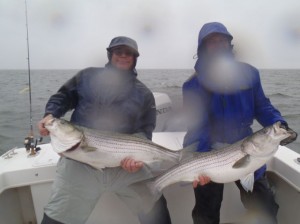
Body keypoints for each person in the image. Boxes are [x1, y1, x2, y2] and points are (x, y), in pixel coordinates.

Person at [38, 36, 172, 224]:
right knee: (56, 219)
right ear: (110, 55)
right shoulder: (87, 76)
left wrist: (136, 159)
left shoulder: (144, 94)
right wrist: (50, 115)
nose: (123, 56)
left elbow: (145, 130)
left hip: (124, 166)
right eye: (119, 52)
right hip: (79, 163)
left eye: (129, 53)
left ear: (135, 58)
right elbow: (62, 97)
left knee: (157, 213)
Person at [182, 22, 298, 224]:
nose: (218, 45)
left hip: (247, 146)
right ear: (203, 47)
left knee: (265, 207)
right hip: (209, 150)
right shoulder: (193, 84)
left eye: (222, 40)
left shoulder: (250, 74)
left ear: (229, 44)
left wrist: (280, 123)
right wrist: (199, 164)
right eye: (212, 42)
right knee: (205, 214)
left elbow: (262, 106)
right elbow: (196, 126)